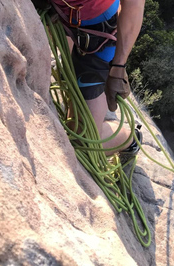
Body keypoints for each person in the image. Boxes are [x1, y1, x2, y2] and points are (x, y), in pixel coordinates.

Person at [36, 0, 145, 156]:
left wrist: (118, 66)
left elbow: (134, 4)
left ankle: (130, 138)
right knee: (66, 74)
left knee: (84, 140)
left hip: (98, 35)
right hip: (60, 14)